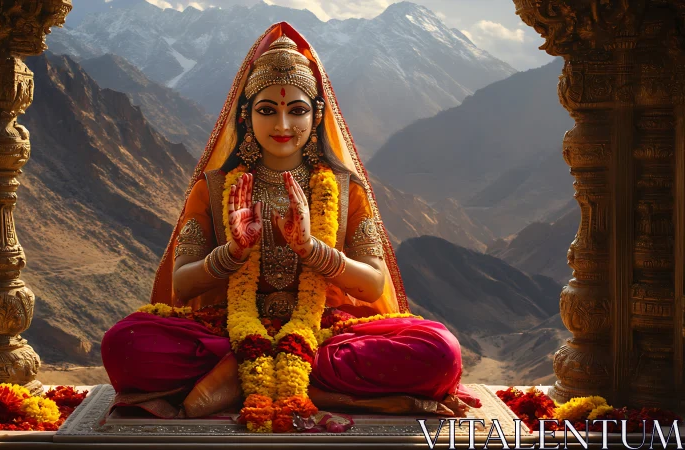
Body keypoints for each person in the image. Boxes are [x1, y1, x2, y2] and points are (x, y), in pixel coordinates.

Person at [101, 22, 480, 433]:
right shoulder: (212, 190)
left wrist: (312, 249)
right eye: (267, 110)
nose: (283, 123)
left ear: (316, 116)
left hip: (323, 333)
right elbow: (183, 285)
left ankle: (246, 382)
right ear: (246, 116)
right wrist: (233, 253)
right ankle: (270, 377)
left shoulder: (345, 189)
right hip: (227, 331)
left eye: (296, 110)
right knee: (125, 344)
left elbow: (372, 286)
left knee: (440, 351)